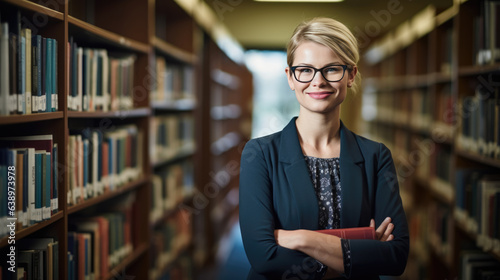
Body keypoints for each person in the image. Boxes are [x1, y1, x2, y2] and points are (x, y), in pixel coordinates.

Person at [238, 17, 409, 280]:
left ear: (350, 75)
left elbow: (395, 257)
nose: (317, 81)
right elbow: (264, 256)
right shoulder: (259, 154)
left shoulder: (376, 156)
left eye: (331, 69)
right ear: (290, 77)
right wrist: (358, 254)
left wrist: (300, 239)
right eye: (305, 70)